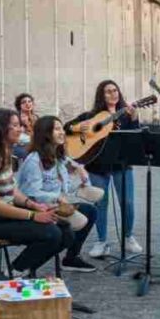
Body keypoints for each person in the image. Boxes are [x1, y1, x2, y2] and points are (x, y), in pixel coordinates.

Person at [0, 108, 67, 277]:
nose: (20, 129)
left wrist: (34, 205)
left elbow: (12, 190)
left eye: (20, 125)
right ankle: (13, 272)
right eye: (15, 125)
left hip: (2, 215)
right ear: (1, 129)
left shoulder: (5, 153)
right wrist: (33, 215)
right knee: (51, 233)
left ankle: (25, 269)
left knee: (66, 230)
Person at [65, 80, 141, 259]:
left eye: (115, 90)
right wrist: (78, 128)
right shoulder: (91, 115)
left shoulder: (126, 114)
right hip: (97, 166)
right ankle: (101, 241)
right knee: (101, 203)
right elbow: (67, 128)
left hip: (122, 165)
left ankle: (128, 237)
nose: (113, 94)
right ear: (101, 95)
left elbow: (136, 138)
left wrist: (135, 118)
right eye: (108, 91)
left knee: (127, 202)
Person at [17, 115, 99, 272]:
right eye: (57, 129)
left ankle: (71, 258)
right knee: (65, 231)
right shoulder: (34, 160)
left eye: (62, 128)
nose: (62, 132)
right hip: (36, 207)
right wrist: (56, 198)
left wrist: (82, 181)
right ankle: (26, 266)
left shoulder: (59, 158)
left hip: (54, 205)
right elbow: (30, 192)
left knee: (90, 211)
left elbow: (65, 187)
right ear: (45, 133)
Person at [12, 92, 37, 160]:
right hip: (20, 145)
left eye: (29, 101)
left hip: (34, 144)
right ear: (19, 105)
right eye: (24, 102)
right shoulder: (15, 117)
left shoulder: (35, 117)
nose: (27, 104)